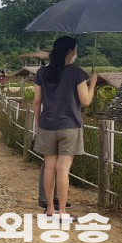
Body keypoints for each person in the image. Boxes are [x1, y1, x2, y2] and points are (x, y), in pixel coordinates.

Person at [33, 36, 97, 220]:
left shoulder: (41, 72)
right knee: (63, 170)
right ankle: (62, 211)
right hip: (69, 126)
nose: (76, 53)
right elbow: (85, 101)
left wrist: (39, 124)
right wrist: (92, 83)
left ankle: (50, 209)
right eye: (75, 50)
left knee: (49, 168)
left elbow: (37, 101)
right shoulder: (77, 73)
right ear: (70, 52)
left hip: (47, 125)